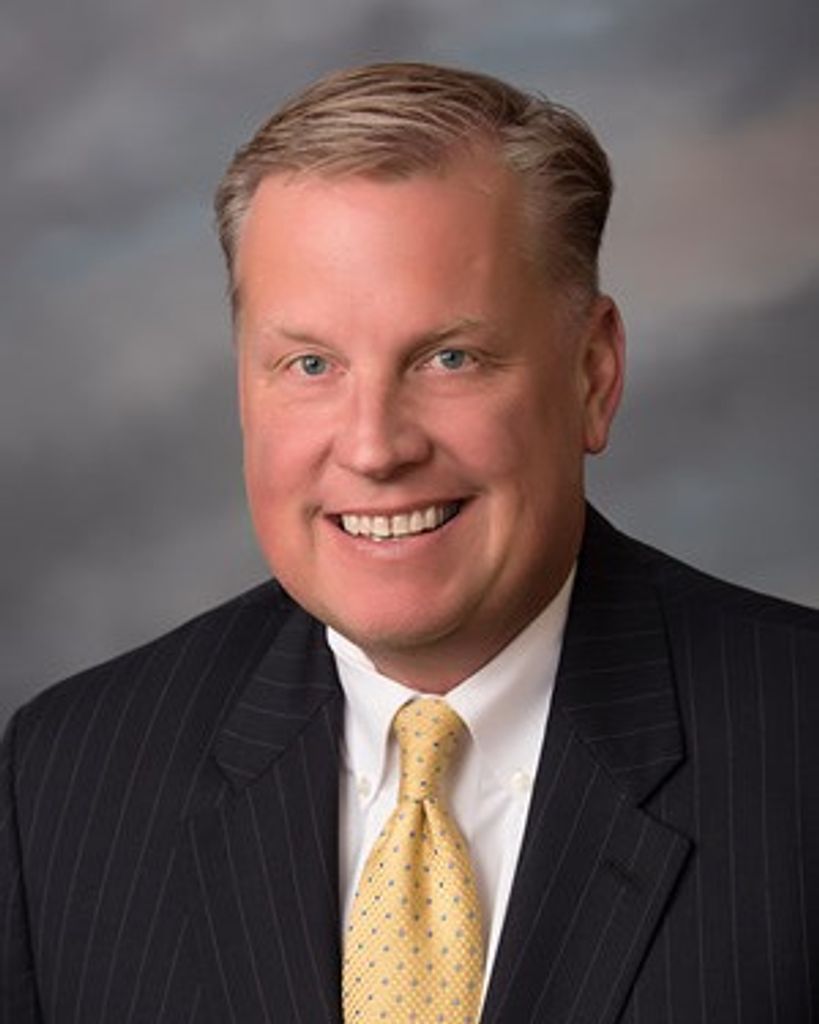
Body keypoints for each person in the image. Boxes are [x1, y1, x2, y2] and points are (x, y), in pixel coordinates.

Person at [1, 61, 817, 1024]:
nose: (374, 447)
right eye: (310, 364)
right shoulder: (68, 777)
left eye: (448, 358)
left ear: (592, 375)